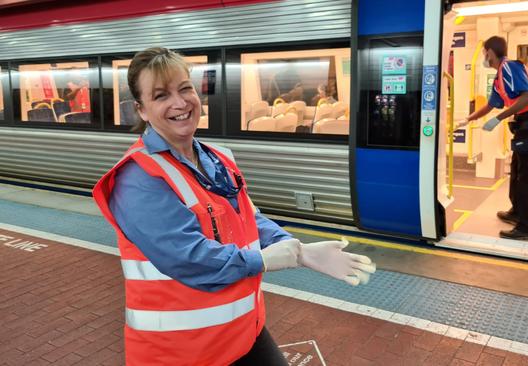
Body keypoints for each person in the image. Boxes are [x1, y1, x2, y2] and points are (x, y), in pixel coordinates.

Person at [92, 47, 376, 366]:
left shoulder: (219, 158)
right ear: (141, 109)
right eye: (161, 95)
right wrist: (264, 260)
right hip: (181, 354)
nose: (179, 102)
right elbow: (191, 259)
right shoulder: (138, 178)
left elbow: (249, 220)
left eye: (184, 88)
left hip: (243, 334)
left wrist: (297, 249)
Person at [457, 36, 528, 240]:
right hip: (525, 124)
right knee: (516, 170)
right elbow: (491, 104)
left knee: (527, 177)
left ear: (490, 52)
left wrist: (499, 119)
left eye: (484, 52)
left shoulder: (509, 67)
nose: (484, 56)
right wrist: (468, 119)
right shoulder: (500, 77)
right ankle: (517, 212)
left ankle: (526, 227)